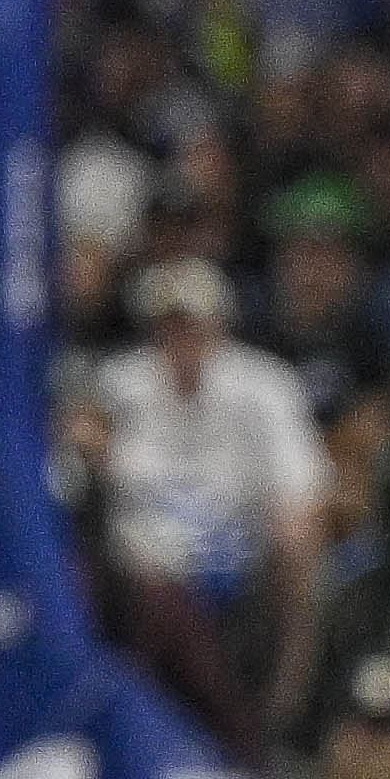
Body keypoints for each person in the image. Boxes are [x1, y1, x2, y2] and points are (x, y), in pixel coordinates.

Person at [87, 255, 327, 751]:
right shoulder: (119, 386)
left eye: (193, 327)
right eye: (170, 327)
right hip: (141, 560)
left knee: (296, 543)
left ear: (218, 327)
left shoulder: (264, 387)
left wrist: (284, 526)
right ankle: (151, 731)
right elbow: (79, 467)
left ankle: (284, 705)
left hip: (235, 553)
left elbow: (302, 490)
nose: (182, 341)